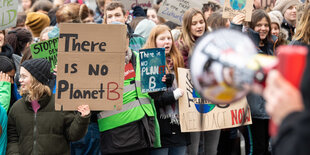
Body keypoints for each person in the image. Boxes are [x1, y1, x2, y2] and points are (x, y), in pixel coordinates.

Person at [97, 22, 160, 155]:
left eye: (123, 35)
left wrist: (163, 84)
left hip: (143, 129)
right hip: (116, 134)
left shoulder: (143, 58)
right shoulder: (97, 66)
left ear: (128, 38)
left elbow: (155, 95)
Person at [7, 58, 90, 154]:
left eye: (24, 76)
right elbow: (12, 139)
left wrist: (82, 118)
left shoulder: (60, 104)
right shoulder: (16, 108)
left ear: (36, 79)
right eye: (20, 76)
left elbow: (73, 135)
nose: (20, 80)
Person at [230, 9, 276, 155]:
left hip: (269, 109)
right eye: (259, 25)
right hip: (252, 110)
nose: (263, 28)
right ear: (251, 26)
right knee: (255, 149)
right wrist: (235, 27)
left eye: (266, 25)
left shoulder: (272, 46)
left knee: (265, 148)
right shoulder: (246, 45)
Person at [143, 25, 189, 155]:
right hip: (160, 128)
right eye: (162, 38)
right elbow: (152, 100)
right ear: (154, 41)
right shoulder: (149, 63)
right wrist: (174, 94)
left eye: (169, 38)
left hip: (179, 126)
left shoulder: (178, 60)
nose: (167, 41)